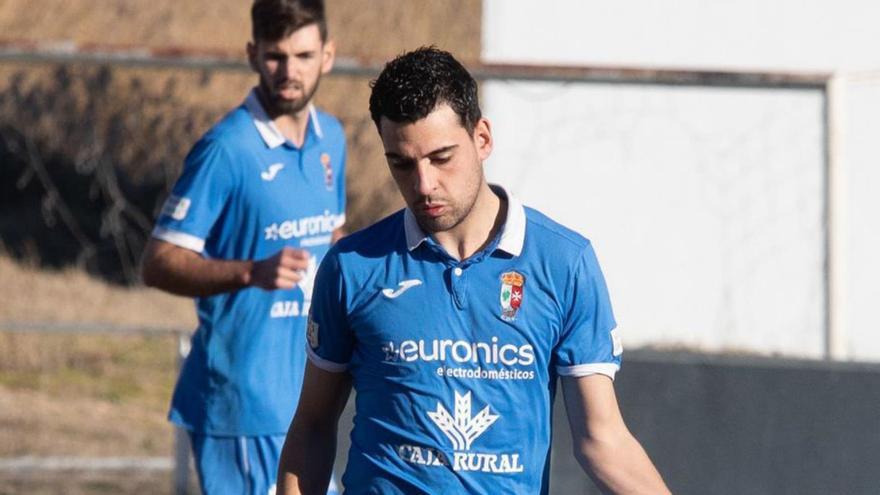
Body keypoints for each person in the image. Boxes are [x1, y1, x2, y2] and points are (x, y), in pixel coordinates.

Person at [276, 47, 670, 494]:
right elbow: (312, 425)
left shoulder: (564, 263)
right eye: (401, 163)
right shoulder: (352, 267)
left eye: (441, 157)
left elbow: (603, 440)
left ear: (482, 138)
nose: (424, 184)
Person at [140, 1, 345, 493]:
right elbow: (158, 262)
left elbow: (333, 237)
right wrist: (251, 272)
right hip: (244, 409)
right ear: (253, 55)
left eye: (303, 55)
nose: (289, 71)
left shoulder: (331, 139)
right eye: (276, 56)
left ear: (328, 55)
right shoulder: (226, 149)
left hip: (308, 403)